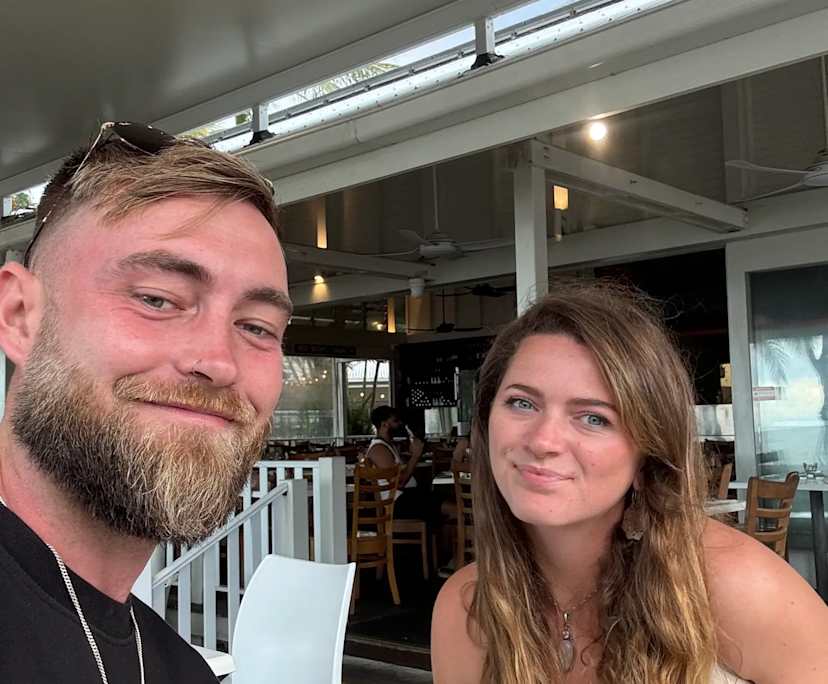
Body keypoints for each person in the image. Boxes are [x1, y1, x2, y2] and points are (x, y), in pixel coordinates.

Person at [0, 122, 291, 682]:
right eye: (158, 299)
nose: (218, 362)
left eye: (256, 327)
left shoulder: (182, 670)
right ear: (19, 317)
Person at [431, 280, 828, 683]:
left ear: (647, 456)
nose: (543, 441)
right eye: (522, 402)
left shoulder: (728, 584)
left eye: (594, 418)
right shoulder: (467, 607)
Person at [364, 405, 427, 518]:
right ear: (384, 424)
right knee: (448, 506)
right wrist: (415, 457)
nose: (400, 424)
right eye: (395, 421)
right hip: (395, 503)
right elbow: (398, 483)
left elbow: (404, 473)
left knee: (444, 501)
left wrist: (411, 455)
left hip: (407, 497)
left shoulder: (389, 445)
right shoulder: (379, 449)